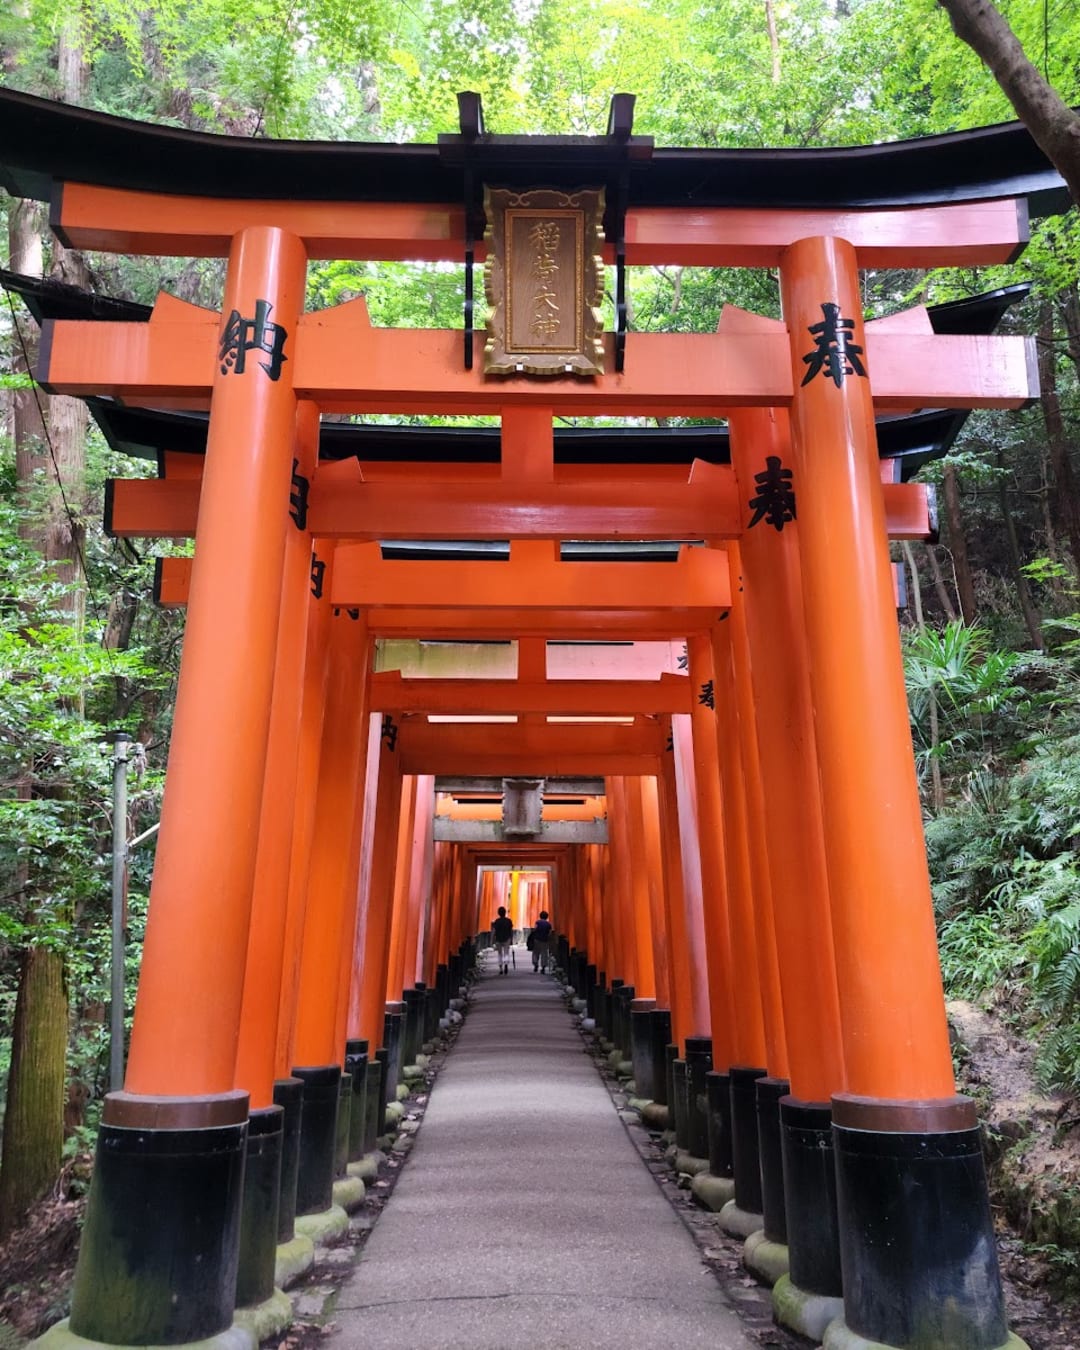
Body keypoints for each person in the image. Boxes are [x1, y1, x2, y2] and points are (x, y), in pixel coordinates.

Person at [492, 905, 514, 975]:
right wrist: (511, 939)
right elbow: (511, 930)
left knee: (499, 953)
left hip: (498, 939)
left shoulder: (497, 921)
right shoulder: (509, 921)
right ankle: (506, 964)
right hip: (507, 938)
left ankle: (501, 968)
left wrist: (492, 939)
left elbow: (494, 931)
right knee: (506, 952)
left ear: (499, 913)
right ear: (505, 913)